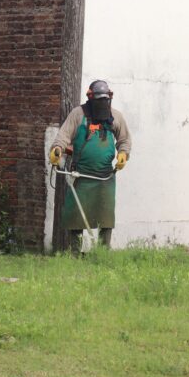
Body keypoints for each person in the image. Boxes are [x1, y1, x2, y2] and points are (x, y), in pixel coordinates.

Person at [49, 80, 132, 254]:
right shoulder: (78, 114)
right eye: (98, 99)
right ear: (90, 97)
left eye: (105, 99)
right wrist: (57, 149)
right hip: (80, 175)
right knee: (76, 217)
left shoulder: (116, 117)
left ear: (109, 98)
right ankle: (74, 253)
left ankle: (103, 252)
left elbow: (124, 140)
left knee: (105, 216)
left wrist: (123, 154)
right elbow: (63, 137)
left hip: (105, 178)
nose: (102, 103)